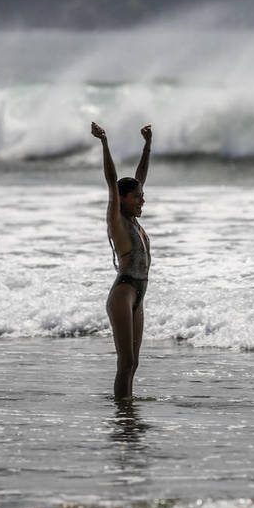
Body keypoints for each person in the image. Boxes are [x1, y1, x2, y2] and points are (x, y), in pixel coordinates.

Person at [91, 122, 152, 399]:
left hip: (139, 294)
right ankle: (122, 413)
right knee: (125, 362)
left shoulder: (134, 222)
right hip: (123, 293)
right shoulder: (117, 220)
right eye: (138, 197)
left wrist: (147, 146)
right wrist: (104, 143)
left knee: (134, 363)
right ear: (123, 199)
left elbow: (140, 177)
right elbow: (111, 181)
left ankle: (126, 405)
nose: (142, 201)